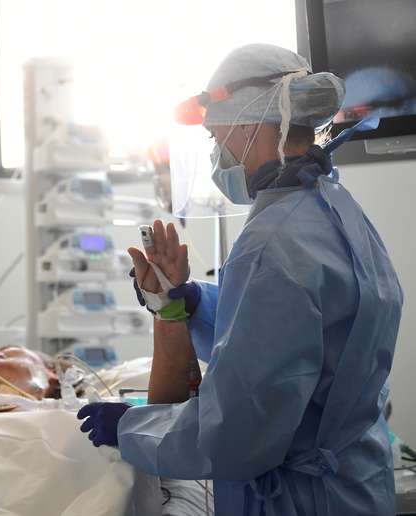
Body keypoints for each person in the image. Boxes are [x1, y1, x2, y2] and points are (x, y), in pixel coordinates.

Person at [77, 43, 403, 515]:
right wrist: (192, 303)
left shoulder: (273, 243)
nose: (217, 155)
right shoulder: (334, 208)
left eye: (216, 138)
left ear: (248, 126)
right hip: (355, 484)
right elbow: (294, 337)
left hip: (300, 499)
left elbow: (236, 432)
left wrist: (134, 427)